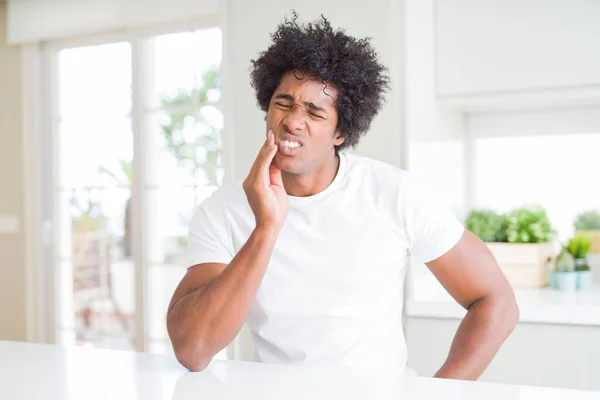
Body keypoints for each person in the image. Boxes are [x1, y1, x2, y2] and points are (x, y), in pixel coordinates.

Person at [166, 14, 519, 379]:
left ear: (341, 133)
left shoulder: (395, 194)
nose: (292, 121)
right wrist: (266, 228)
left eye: (314, 112)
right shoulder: (222, 212)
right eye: (283, 103)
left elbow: (496, 301)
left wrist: (438, 394)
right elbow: (193, 350)